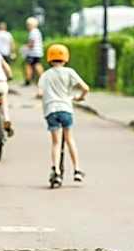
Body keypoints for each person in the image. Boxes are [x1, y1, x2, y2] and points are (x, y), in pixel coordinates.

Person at [38, 43, 89, 185]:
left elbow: (40, 92)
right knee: (69, 139)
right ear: (66, 58)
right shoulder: (69, 72)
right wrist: (79, 97)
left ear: (49, 59)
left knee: (56, 142)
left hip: (51, 110)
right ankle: (77, 170)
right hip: (66, 109)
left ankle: (56, 171)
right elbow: (85, 88)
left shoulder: (45, 75)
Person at [23, 17, 44, 86]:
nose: (27, 26)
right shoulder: (38, 31)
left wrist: (25, 47)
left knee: (28, 65)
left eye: (28, 25)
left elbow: (31, 44)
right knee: (37, 64)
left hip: (33, 52)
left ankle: (28, 80)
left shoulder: (32, 32)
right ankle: (43, 79)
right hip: (38, 52)